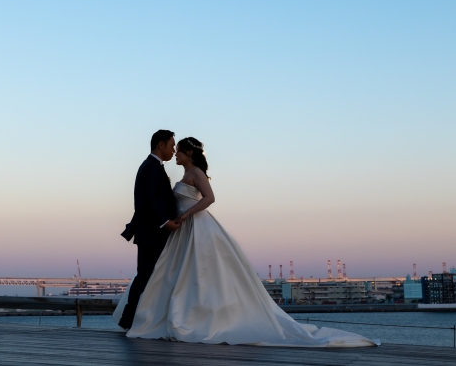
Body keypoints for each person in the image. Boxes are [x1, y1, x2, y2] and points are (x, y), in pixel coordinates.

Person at [114, 136, 380, 347]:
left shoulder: (195, 173)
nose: (175, 153)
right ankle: (170, 314)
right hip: (182, 229)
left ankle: (200, 317)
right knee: (174, 273)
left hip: (197, 225)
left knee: (200, 272)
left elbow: (210, 199)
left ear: (189, 154)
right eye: (173, 148)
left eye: (179, 150)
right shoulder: (178, 174)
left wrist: (186, 214)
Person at [117, 129, 180, 330]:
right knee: (146, 275)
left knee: (148, 275)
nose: (173, 150)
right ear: (161, 144)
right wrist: (165, 222)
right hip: (152, 233)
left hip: (154, 232)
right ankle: (130, 318)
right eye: (172, 145)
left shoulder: (154, 167)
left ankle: (136, 318)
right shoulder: (150, 168)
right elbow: (147, 201)